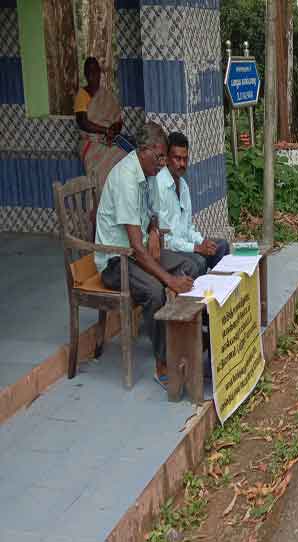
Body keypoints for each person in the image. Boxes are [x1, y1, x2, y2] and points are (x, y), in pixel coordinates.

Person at [95, 122, 204, 387]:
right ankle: (163, 362)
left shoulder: (149, 173)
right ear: (143, 151)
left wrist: (154, 230)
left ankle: (185, 340)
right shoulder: (126, 179)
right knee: (156, 291)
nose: (163, 162)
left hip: (139, 250)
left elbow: (152, 214)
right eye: (160, 157)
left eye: (164, 157)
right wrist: (169, 280)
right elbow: (135, 247)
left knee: (194, 264)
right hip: (115, 260)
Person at [150, 132, 230, 275]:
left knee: (221, 246)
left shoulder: (183, 185)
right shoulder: (159, 186)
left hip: (184, 245)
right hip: (168, 250)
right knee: (199, 261)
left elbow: (187, 228)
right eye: (177, 158)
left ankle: (218, 292)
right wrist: (195, 248)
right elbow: (166, 240)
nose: (182, 164)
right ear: (167, 159)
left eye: (185, 159)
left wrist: (202, 241)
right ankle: (198, 296)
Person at [74, 57, 128, 190]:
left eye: (95, 71)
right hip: (90, 143)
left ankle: (118, 199)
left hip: (108, 141)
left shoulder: (106, 95)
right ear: (85, 75)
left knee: (124, 158)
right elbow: (82, 122)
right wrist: (105, 130)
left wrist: (112, 131)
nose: (92, 75)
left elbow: (118, 122)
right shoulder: (82, 94)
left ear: (100, 73)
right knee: (101, 169)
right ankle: (100, 201)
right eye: (89, 71)